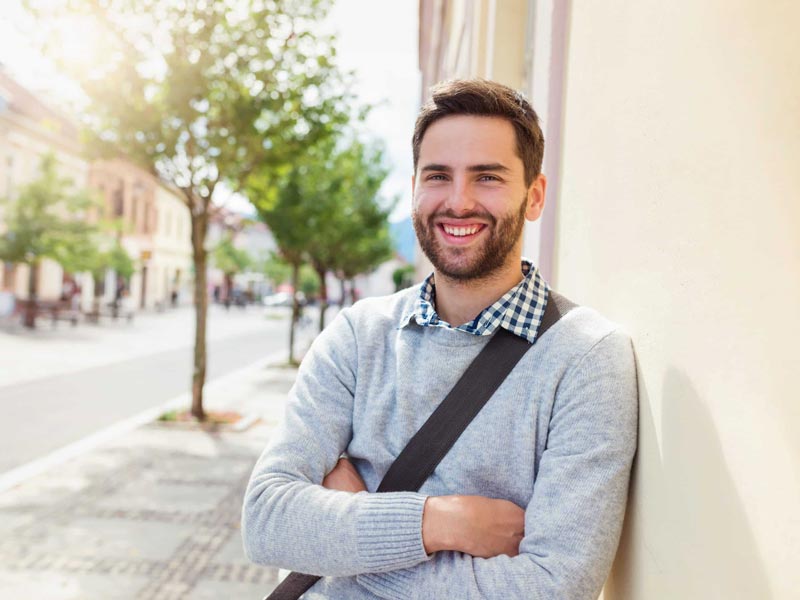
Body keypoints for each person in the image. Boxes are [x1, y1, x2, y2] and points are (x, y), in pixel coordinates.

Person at [242, 79, 638, 600]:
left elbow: (550, 588)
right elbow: (267, 520)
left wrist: (343, 544)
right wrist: (442, 522)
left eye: (488, 177)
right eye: (438, 176)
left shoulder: (587, 358)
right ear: (414, 189)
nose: (458, 201)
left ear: (534, 196)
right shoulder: (357, 336)